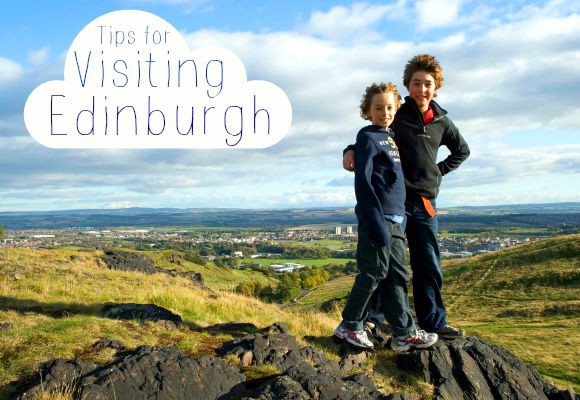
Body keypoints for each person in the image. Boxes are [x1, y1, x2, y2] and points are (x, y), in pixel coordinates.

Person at [343, 54, 470, 339]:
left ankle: (433, 322)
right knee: (386, 262)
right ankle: (374, 320)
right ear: (407, 86)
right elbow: (376, 133)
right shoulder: (397, 113)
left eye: (427, 84)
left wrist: (437, 173)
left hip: (424, 203)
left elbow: (462, 151)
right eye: (416, 83)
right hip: (394, 203)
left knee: (428, 264)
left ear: (435, 87)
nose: (421, 89)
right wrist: (349, 149)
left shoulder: (442, 122)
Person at [334, 82, 438, 351]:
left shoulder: (389, 135)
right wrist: (375, 221)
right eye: (378, 108)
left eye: (390, 107)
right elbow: (364, 184)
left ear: (397, 108)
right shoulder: (369, 137)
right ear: (367, 110)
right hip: (377, 220)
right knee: (374, 272)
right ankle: (349, 325)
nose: (385, 112)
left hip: (395, 219)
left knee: (398, 275)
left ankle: (404, 333)